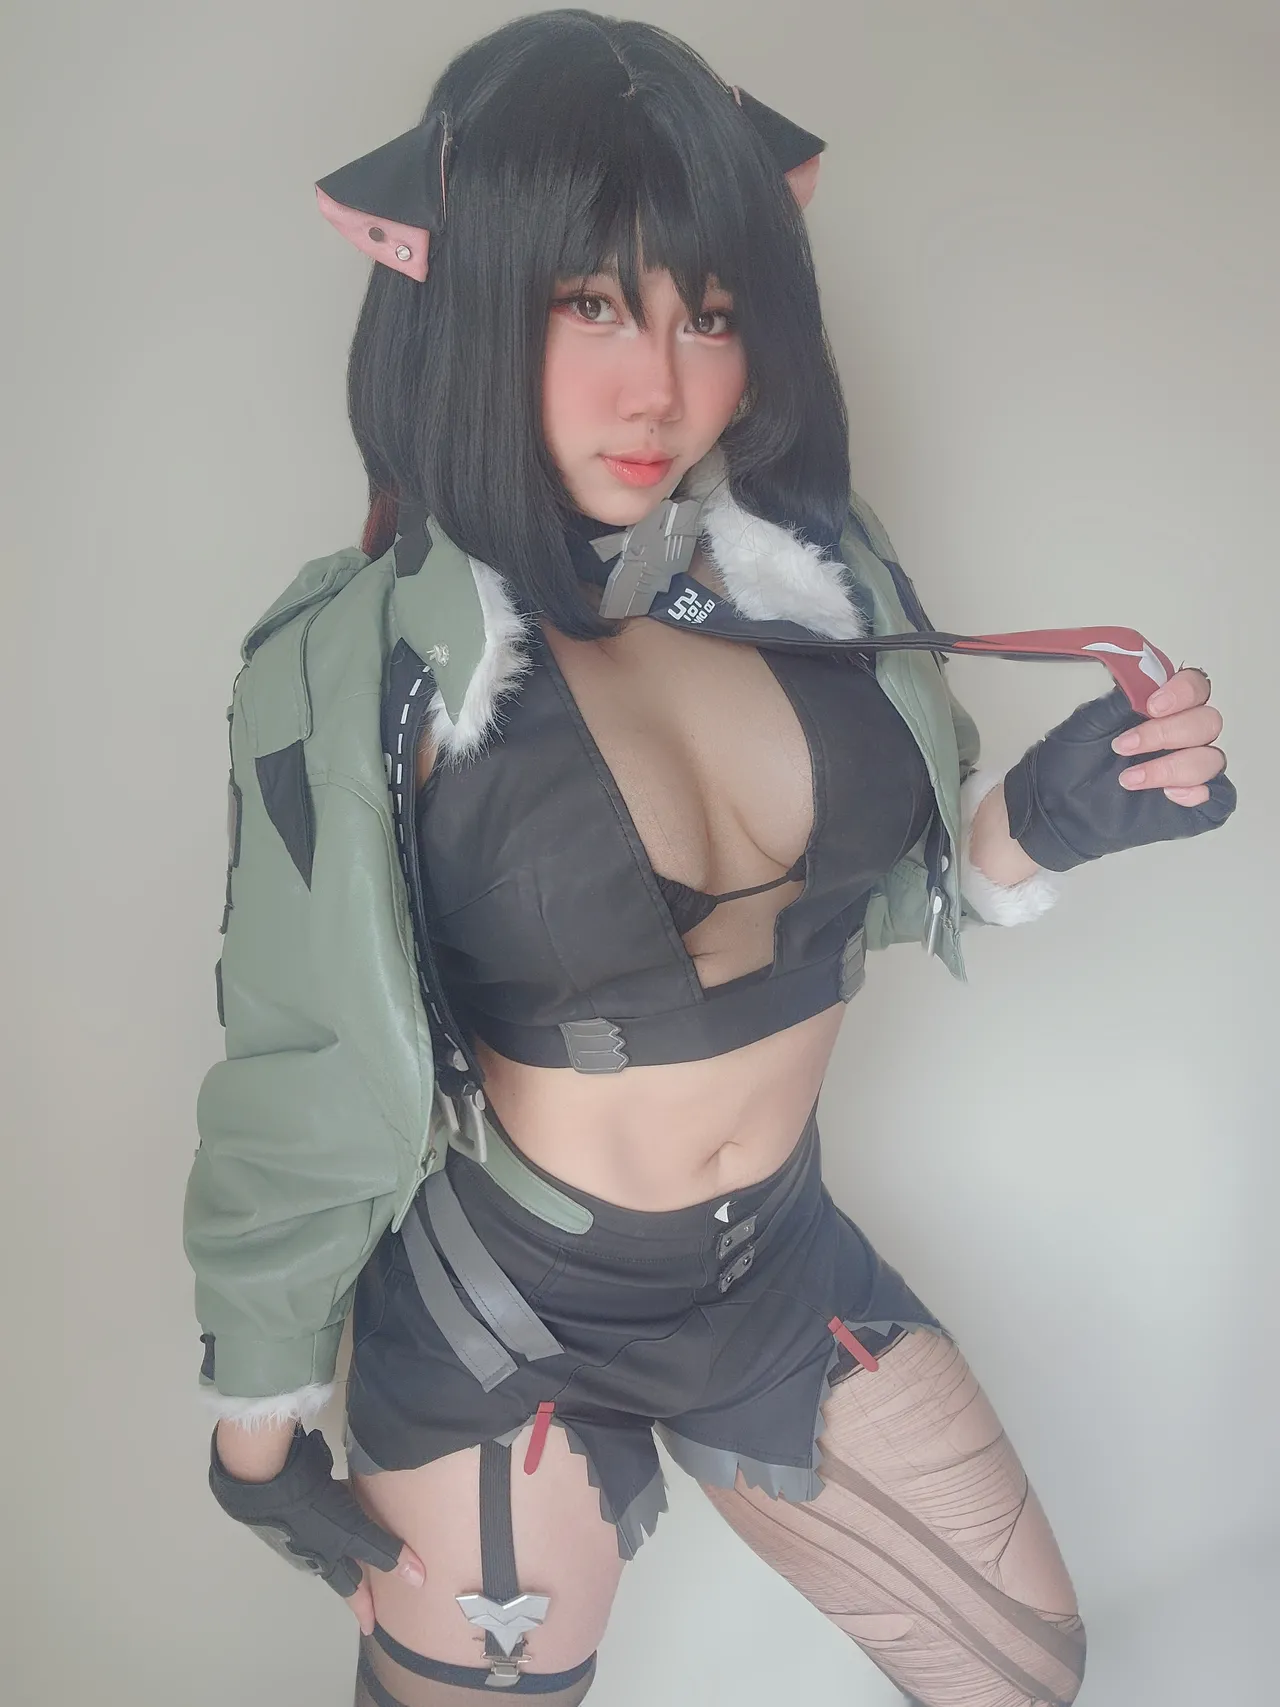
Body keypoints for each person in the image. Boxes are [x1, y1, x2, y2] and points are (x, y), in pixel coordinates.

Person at [183, 13, 1235, 1706]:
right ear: (462, 293)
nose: (660, 386)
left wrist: (1057, 811)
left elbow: (902, 880)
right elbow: (300, 1058)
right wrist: (255, 1425)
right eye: (592, 302)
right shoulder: (363, 664)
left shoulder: (815, 571)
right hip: (510, 1313)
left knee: (1022, 1672)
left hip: (780, 1270)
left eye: (712, 311)